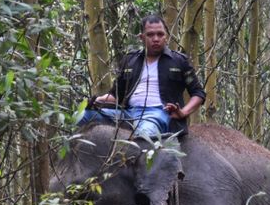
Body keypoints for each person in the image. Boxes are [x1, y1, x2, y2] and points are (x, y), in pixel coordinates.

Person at [77, 14, 206, 139]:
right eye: (150, 34)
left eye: (160, 34)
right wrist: (96, 100)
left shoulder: (179, 61)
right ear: (141, 37)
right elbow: (116, 96)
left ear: (166, 37)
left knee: (144, 135)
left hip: (157, 114)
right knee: (81, 116)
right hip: (127, 113)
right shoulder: (130, 60)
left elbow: (198, 93)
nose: (156, 38)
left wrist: (183, 112)